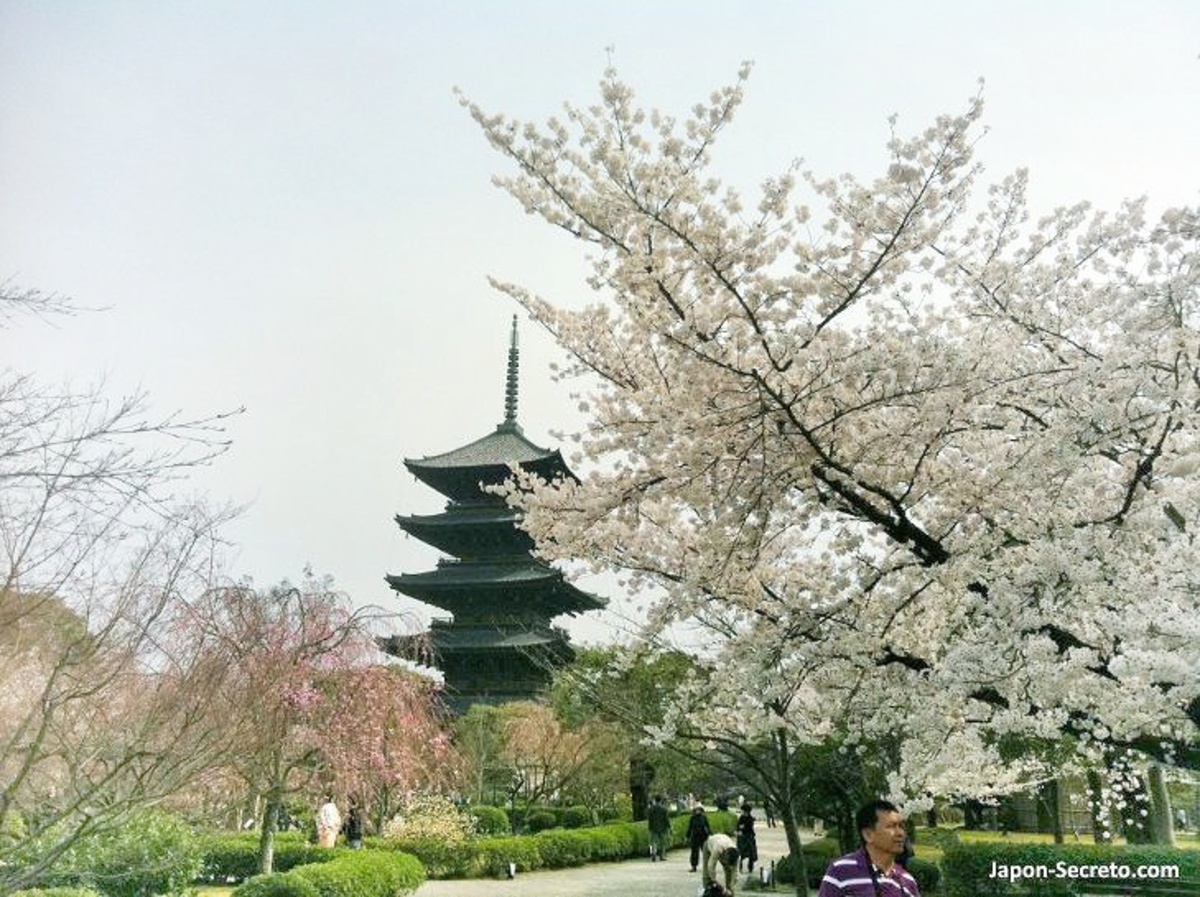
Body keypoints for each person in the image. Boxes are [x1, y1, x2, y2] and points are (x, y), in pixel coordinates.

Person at [817, 799, 921, 896]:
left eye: (901, 826)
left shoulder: (907, 881)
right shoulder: (841, 870)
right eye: (891, 826)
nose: (900, 833)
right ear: (868, 835)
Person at [702, 831, 739, 895]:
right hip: (709, 844)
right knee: (706, 871)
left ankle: (729, 890)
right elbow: (711, 866)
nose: (726, 863)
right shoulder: (718, 848)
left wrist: (731, 887)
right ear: (725, 854)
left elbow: (735, 873)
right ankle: (707, 890)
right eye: (726, 861)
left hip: (723, 842)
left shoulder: (736, 855)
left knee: (728, 870)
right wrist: (715, 883)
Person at [686, 804, 712, 873]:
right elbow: (690, 827)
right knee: (694, 852)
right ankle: (694, 866)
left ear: (701, 810)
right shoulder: (692, 818)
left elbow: (708, 826)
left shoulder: (704, 817)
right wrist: (687, 836)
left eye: (699, 810)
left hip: (703, 837)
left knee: (705, 852)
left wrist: (710, 834)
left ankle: (707, 866)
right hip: (695, 837)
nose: (698, 811)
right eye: (696, 810)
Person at [647, 794, 671, 861]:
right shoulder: (664, 809)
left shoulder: (651, 808)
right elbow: (666, 819)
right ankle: (662, 856)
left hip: (653, 827)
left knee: (654, 841)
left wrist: (650, 827)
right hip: (662, 828)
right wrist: (669, 826)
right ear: (660, 800)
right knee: (662, 842)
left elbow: (649, 819)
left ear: (655, 800)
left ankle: (654, 853)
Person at [735, 803, 758, 873]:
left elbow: (747, 827)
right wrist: (740, 828)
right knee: (741, 853)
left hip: (749, 837)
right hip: (742, 837)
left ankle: (750, 867)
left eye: (743, 810)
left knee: (751, 852)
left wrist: (742, 827)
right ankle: (740, 867)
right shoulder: (741, 817)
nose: (742, 812)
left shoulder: (750, 819)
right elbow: (738, 826)